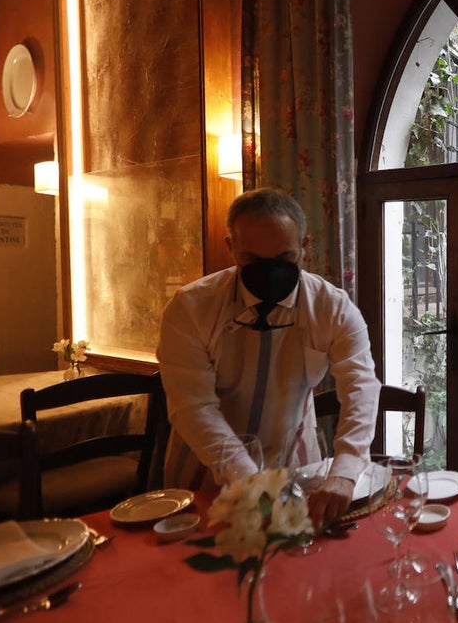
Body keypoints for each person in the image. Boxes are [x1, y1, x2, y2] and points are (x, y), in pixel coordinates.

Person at [157, 188, 380, 527]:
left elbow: (361, 388)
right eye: (252, 260)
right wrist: (247, 478)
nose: (270, 273)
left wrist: (345, 471)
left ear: (304, 246)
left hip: (297, 469)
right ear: (231, 247)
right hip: (205, 472)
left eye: (284, 258)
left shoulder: (332, 308)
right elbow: (194, 407)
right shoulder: (191, 308)